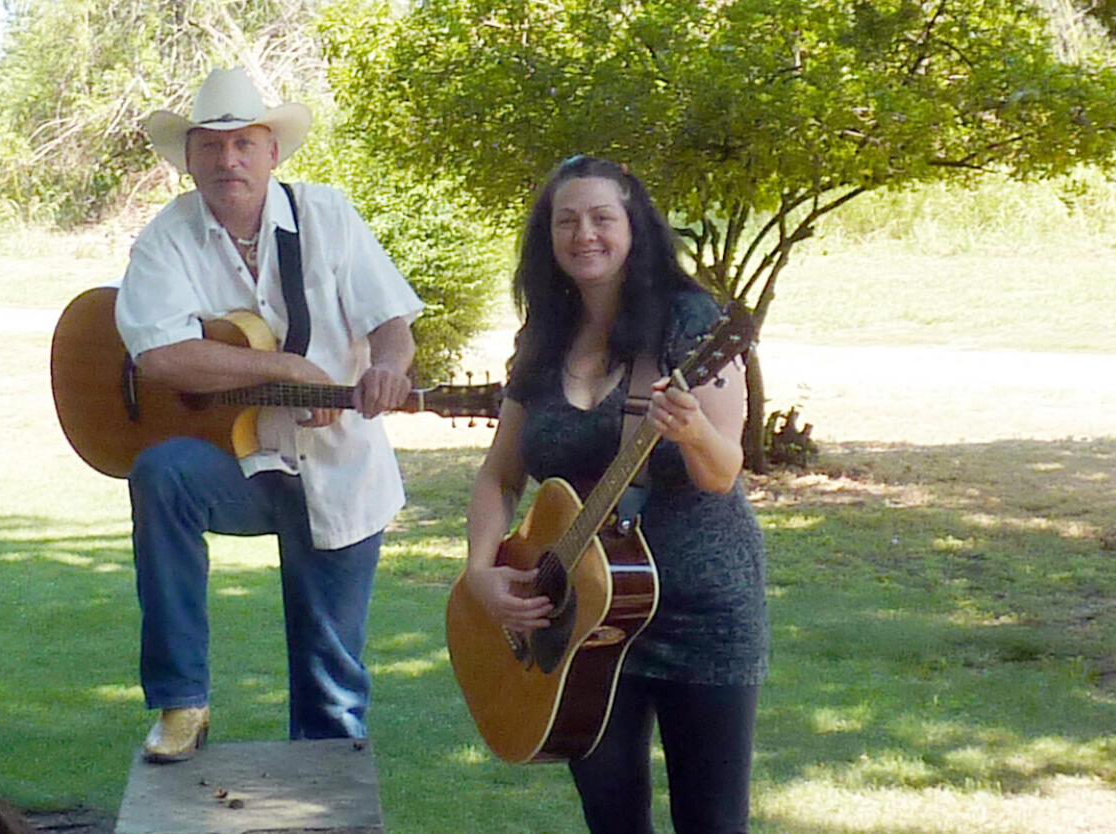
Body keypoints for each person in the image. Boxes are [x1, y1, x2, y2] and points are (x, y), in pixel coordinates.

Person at [114, 67, 422, 763]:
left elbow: (394, 324)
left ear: (272, 153)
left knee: (332, 683)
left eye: (244, 145)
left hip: (338, 469)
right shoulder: (167, 238)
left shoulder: (329, 216)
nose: (229, 161)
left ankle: (326, 801)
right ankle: (181, 701)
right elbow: (158, 359)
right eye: (212, 147)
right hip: (239, 462)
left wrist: (388, 369)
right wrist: (285, 368)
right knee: (161, 472)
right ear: (189, 157)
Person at [464, 155, 768, 833]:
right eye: (565, 221)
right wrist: (480, 572)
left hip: (702, 611)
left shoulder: (690, 324)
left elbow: (722, 472)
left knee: (714, 823)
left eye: (603, 217)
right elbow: (499, 475)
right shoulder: (541, 340)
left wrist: (690, 432)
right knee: (612, 819)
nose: (584, 234)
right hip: (585, 621)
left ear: (635, 227)